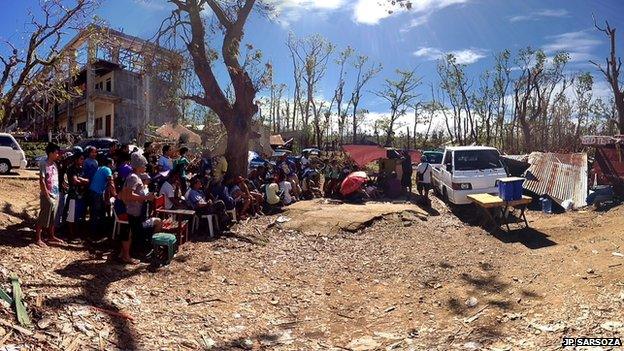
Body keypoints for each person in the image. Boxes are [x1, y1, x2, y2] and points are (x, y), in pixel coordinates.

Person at [119, 153, 161, 264]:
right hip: (131, 211)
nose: (146, 167)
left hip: (134, 211)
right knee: (128, 233)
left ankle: (126, 255)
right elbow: (128, 195)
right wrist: (146, 197)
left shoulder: (136, 177)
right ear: (138, 166)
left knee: (130, 232)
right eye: (144, 165)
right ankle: (126, 256)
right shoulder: (133, 177)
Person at [35, 143, 64, 247]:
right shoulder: (44, 163)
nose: (58, 155)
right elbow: (42, 181)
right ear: (51, 153)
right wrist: (47, 196)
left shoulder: (55, 164)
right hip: (47, 195)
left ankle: (51, 236)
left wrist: (57, 195)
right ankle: (38, 238)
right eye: (56, 153)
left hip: (55, 195)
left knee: (52, 218)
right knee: (43, 217)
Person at [65, 153, 89, 241]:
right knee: (71, 215)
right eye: (81, 159)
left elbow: (87, 180)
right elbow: (75, 181)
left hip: (81, 195)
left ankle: (77, 232)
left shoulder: (82, 169)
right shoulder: (72, 169)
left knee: (79, 215)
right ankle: (71, 234)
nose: (83, 161)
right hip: (73, 195)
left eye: (83, 159)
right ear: (76, 159)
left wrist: (81, 179)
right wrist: (82, 181)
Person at [89, 158, 114, 237]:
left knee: (97, 211)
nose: (113, 166)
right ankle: (94, 232)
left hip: (93, 191)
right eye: (112, 164)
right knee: (96, 212)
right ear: (109, 164)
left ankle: (97, 229)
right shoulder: (107, 169)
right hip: (97, 192)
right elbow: (111, 182)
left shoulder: (101, 168)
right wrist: (115, 194)